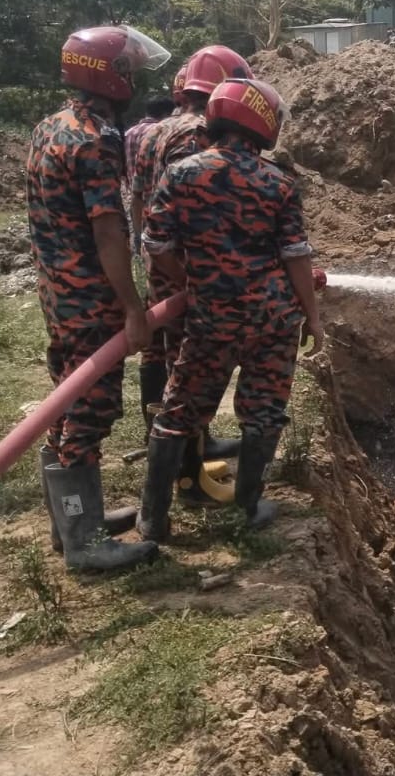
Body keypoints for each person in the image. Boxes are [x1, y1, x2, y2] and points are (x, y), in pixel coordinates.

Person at [139, 78, 323, 540]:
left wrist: (194, 282)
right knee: (263, 412)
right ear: (262, 122)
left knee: (178, 412)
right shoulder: (277, 182)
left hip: (210, 320)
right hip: (273, 321)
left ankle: (152, 520)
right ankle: (247, 507)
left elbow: (155, 244)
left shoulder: (181, 174)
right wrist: (312, 315)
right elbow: (296, 256)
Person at [28, 25, 171, 571]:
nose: (132, 79)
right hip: (90, 296)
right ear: (110, 75)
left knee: (65, 399)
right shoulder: (95, 140)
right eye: (127, 69)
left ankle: (71, 525)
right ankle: (85, 542)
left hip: (56, 293)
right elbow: (108, 232)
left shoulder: (48, 128)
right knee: (91, 406)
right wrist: (134, 309)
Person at [131, 45, 255, 481]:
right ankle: (188, 472)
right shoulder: (197, 135)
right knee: (188, 365)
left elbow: (139, 199)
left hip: (158, 258)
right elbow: (191, 205)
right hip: (184, 267)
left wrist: (145, 250)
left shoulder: (152, 130)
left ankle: (179, 443)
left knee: (158, 351)